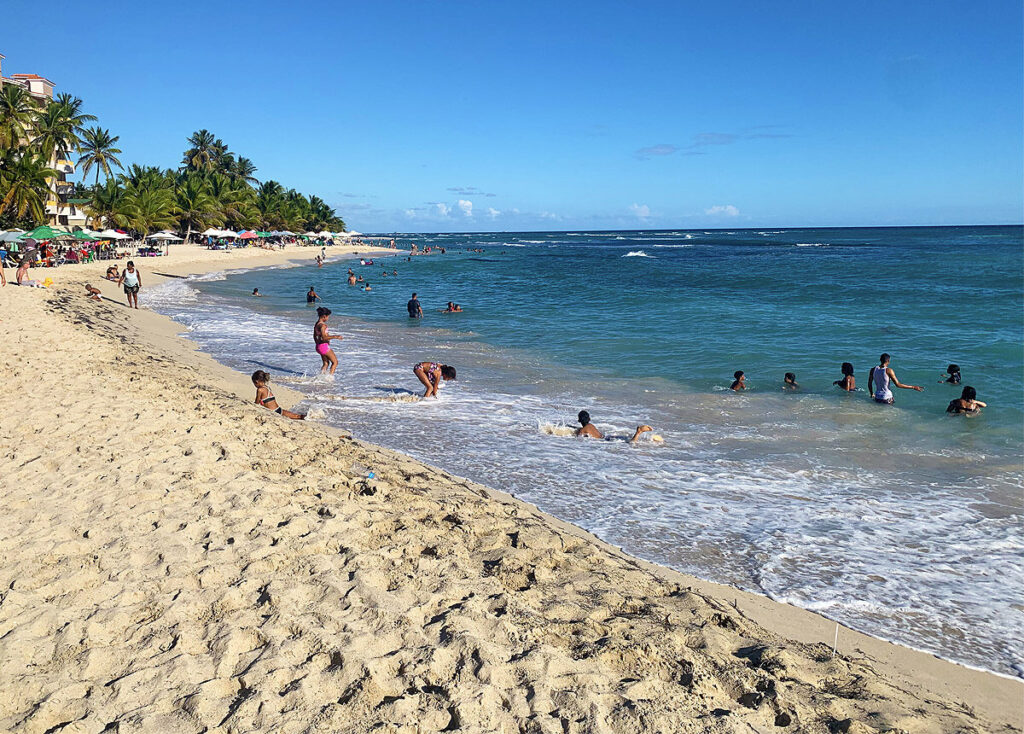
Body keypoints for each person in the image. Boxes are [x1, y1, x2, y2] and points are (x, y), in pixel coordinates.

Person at [575, 410, 653, 443]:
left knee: (630, 443)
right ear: (589, 419)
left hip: (604, 441)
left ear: (579, 420)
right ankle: (647, 437)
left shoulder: (582, 430)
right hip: (607, 437)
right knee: (628, 440)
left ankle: (638, 432)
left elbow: (578, 438)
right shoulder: (591, 425)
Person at [313, 307, 342, 374]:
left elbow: (314, 336)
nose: (328, 318)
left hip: (318, 346)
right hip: (324, 347)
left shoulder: (317, 324)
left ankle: (321, 377)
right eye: (328, 317)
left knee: (326, 363)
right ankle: (330, 378)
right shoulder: (323, 326)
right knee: (335, 362)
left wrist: (318, 343)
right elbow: (324, 338)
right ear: (324, 316)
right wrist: (335, 336)